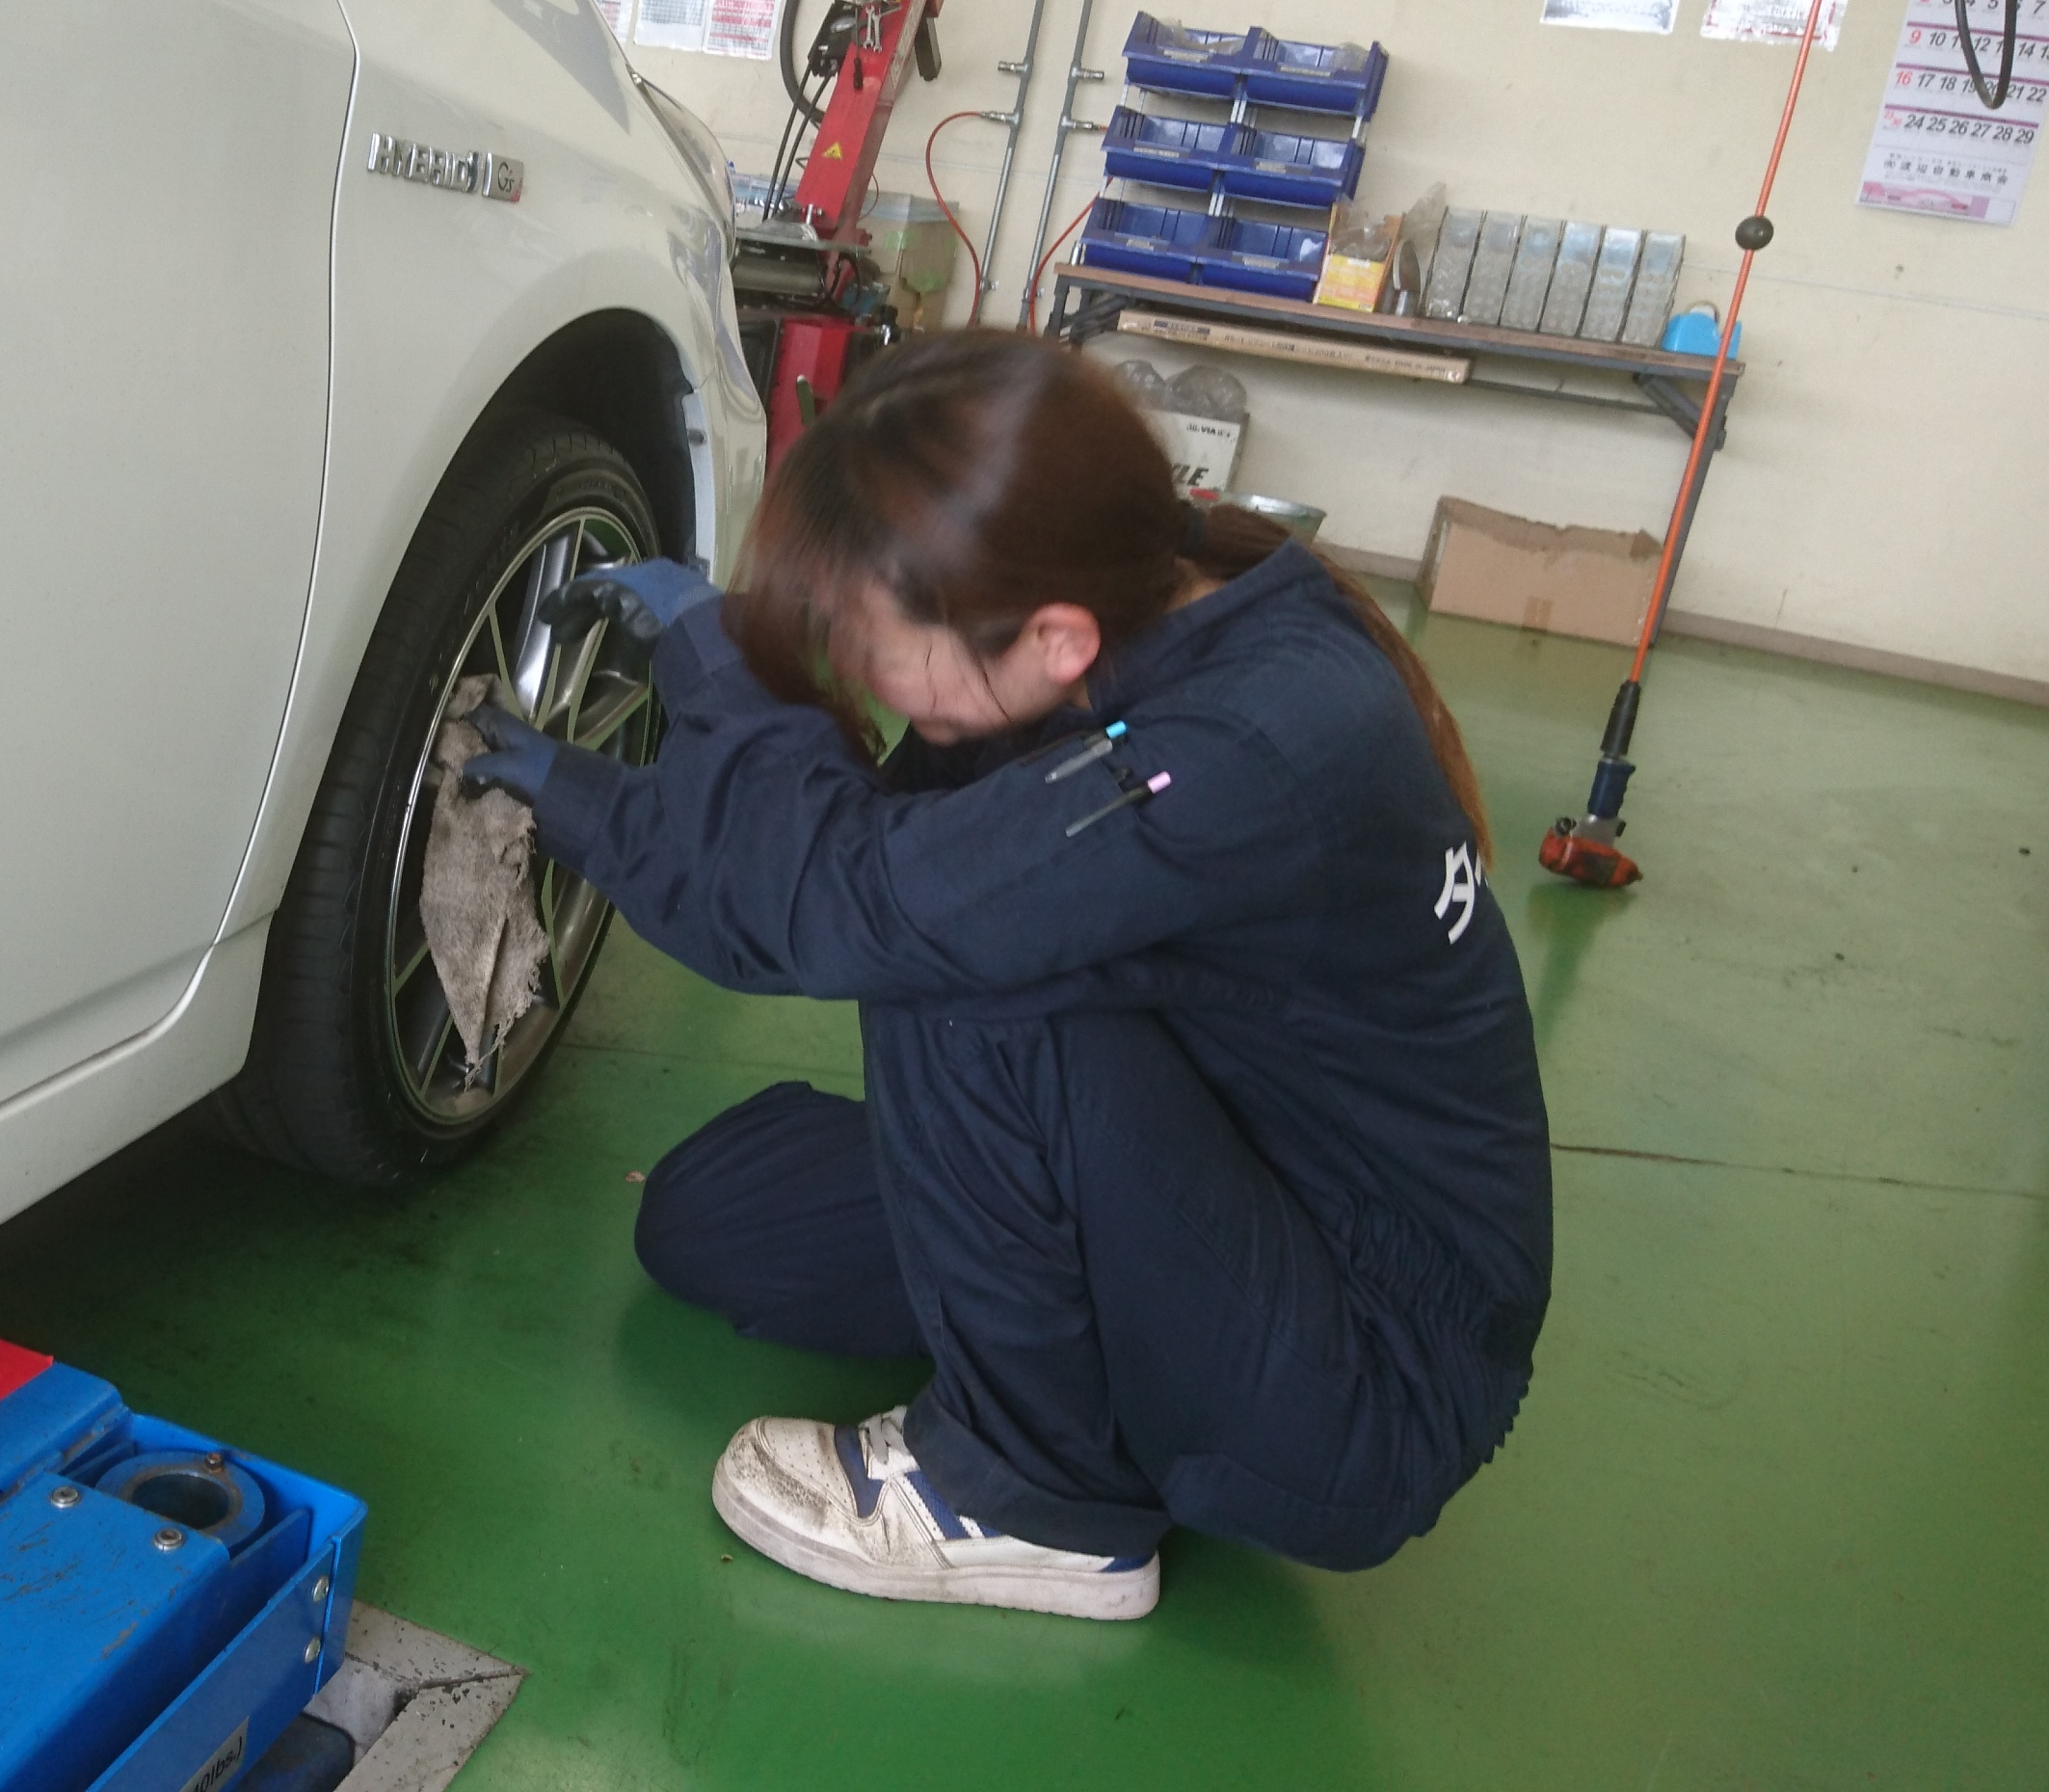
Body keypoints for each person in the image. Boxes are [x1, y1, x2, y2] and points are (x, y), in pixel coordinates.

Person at [461, 332, 1550, 1621]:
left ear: (1054, 637)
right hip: (1231, 1181)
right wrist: (570, 794)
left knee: (967, 968)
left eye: (868, 640)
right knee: (712, 1219)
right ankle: (1079, 1387)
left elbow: (868, 905)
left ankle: (1037, 1499)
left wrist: (720, 669)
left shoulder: (1249, 743)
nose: (849, 664)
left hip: (1359, 1382)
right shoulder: (1114, 634)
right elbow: (801, 894)